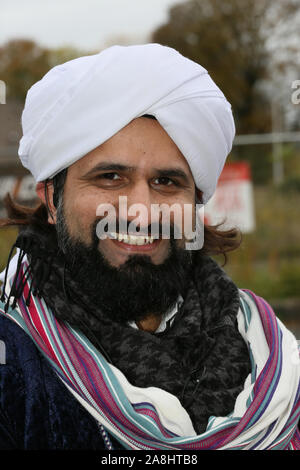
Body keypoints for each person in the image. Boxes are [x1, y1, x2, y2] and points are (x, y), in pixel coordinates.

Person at [0, 44, 299, 451]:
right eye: (110, 177)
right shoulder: (11, 360)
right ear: (52, 200)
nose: (140, 213)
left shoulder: (270, 351)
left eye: (167, 182)